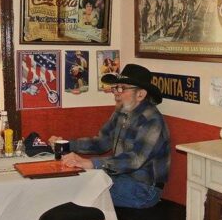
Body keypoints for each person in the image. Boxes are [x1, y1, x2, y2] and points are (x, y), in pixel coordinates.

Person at [49, 64, 170, 209]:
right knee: (72, 183)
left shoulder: (151, 120)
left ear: (141, 94)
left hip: (144, 189)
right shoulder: (121, 112)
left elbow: (135, 159)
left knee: (78, 190)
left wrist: (92, 164)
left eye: (122, 88)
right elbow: (101, 142)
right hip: (119, 178)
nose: (116, 93)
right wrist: (64, 145)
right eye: (115, 87)